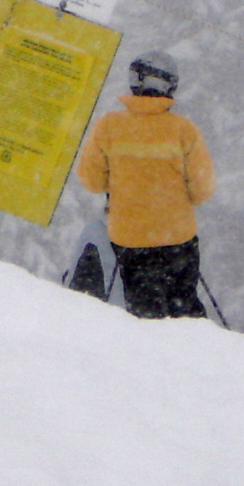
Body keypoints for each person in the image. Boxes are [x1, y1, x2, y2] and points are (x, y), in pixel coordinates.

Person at [76, 51, 216, 319]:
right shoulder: (184, 130)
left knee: (144, 311)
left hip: (129, 239)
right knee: (184, 309)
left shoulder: (109, 127)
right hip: (178, 239)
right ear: (171, 87)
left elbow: (91, 180)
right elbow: (203, 189)